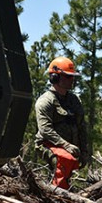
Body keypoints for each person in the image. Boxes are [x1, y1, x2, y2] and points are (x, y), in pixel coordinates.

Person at [35, 56, 90, 190]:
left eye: (72, 77)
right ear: (55, 77)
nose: (72, 80)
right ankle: (58, 196)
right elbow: (45, 130)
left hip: (68, 147)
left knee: (70, 162)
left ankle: (62, 189)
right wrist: (66, 145)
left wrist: (84, 151)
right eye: (68, 77)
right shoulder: (45, 101)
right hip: (47, 145)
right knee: (65, 160)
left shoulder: (74, 100)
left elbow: (81, 126)